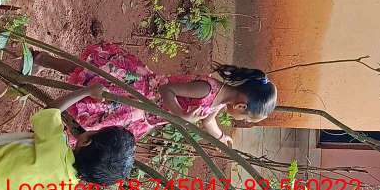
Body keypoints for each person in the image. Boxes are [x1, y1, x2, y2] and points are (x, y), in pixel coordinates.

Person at [33, 44, 277, 144]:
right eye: (246, 118)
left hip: (142, 116)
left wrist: (222, 137)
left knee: (90, 91)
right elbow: (165, 89)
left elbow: (208, 121)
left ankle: (43, 71)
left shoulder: (218, 102)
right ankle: (42, 62)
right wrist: (181, 115)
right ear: (242, 106)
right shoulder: (207, 90)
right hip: (138, 96)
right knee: (89, 79)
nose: (241, 120)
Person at [0, 85, 135, 190]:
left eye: (96, 132)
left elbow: (50, 111)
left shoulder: (56, 144)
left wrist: (86, 91)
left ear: (86, 141)